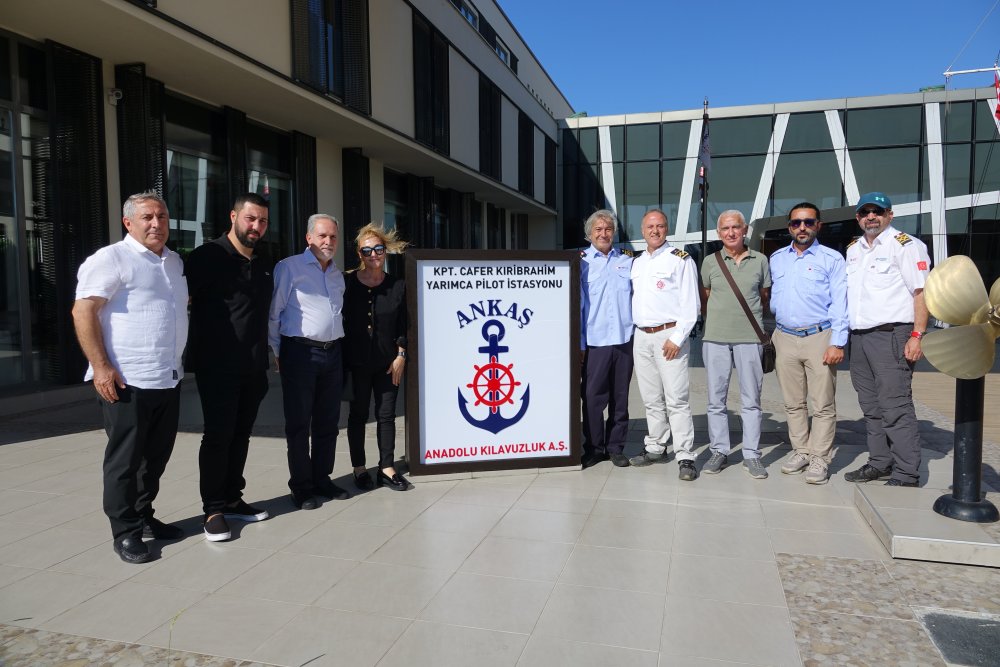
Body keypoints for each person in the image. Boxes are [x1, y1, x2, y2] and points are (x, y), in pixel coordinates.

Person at [72, 191, 188, 564]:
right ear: (128, 223)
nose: (156, 224)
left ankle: (143, 516)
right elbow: (83, 311)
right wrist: (101, 366)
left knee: (155, 458)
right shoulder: (111, 259)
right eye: (147, 218)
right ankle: (125, 532)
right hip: (126, 380)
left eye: (162, 217)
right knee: (124, 461)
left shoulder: (173, 262)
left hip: (167, 377)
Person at [186, 193, 273, 542]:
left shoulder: (263, 261)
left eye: (263, 221)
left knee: (241, 435)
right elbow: (181, 302)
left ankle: (233, 498)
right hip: (217, 366)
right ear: (234, 216)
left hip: (253, 367)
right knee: (218, 436)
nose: (256, 226)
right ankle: (213, 510)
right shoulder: (208, 256)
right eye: (250, 219)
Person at [843, 192, 930, 487]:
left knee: (895, 405)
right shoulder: (854, 249)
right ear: (858, 218)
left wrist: (917, 335)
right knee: (870, 405)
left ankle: (906, 471)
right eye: (865, 212)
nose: (871, 216)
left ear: (889, 215)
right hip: (860, 338)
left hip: (892, 335)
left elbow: (922, 293)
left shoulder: (906, 246)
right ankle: (880, 462)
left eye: (877, 212)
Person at [269, 214, 350, 509]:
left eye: (332, 237)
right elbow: (274, 313)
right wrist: (277, 352)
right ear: (309, 238)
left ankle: (321, 479)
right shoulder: (289, 268)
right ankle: (301, 487)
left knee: (329, 422)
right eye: (322, 236)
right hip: (300, 353)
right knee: (299, 424)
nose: (328, 242)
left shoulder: (337, 275)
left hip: (333, 353)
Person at [770, 202, 847, 485]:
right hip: (785, 337)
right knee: (793, 403)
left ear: (818, 225)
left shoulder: (832, 259)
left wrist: (838, 342)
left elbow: (841, 303)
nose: (802, 227)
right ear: (789, 227)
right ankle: (801, 450)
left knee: (823, 403)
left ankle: (819, 458)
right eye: (796, 223)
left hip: (819, 337)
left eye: (808, 222)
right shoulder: (777, 258)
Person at [699, 210, 772, 479]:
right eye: (725, 229)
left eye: (736, 228)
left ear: (745, 231)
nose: (731, 233)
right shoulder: (709, 262)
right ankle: (719, 450)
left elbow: (764, 297)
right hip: (715, 338)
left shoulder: (760, 261)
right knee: (715, 400)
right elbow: (705, 297)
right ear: (719, 233)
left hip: (750, 339)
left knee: (751, 400)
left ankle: (752, 455)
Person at [629, 209, 700, 480]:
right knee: (650, 399)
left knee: (677, 399)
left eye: (660, 226)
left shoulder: (680, 260)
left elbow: (691, 304)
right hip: (642, 336)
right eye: (650, 226)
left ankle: (685, 455)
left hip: (669, 336)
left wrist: (677, 338)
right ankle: (656, 446)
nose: (655, 231)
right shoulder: (636, 263)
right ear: (642, 230)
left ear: (666, 229)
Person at [343, 223, 411, 491]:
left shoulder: (398, 286)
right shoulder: (346, 283)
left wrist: (401, 354)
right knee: (358, 415)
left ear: (386, 251)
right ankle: (359, 469)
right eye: (367, 250)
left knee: (386, 415)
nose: (373, 254)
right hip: (356, 362)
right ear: (359, 253)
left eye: (378, 249)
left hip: (387, 363)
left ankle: (386, 467)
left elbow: (403, 324)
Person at [579, 210, 634, 469]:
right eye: (598, 229)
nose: (604, 234)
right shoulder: (581, 262)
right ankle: (593, 447)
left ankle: (615, 447)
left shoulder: (627, 261)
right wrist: (579, 344)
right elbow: (577, 305)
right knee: (592, 397)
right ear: (590, 233)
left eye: (608, 229)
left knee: (620, 397)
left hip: (623, 339)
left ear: (614, 232)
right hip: (595, 341)